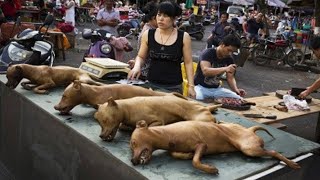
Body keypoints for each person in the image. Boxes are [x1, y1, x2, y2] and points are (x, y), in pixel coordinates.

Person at [128, 1, 196, 98]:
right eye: (159, 15)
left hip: (174, 87)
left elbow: (188, 63)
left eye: (166, 16)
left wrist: (191, 86)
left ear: (174, 18)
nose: (161, 19)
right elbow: (141, 56)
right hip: (151, 85)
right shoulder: (148, 34)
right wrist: (137, 66)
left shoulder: (184, 37)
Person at [194, 34, 246, 101]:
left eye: (232, 52)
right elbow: (205, 71)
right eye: (229, 50)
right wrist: (225, 68)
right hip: (200, 87)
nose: (230, 54)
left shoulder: (229, 59)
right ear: (222, 45)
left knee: (239, 99)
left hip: (217, 89)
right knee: (197, 99)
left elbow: (230, 77)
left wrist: (236, 89)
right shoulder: (208, 53)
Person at [127, 1, 158, 79]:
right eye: (160, 15)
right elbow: (143, 55)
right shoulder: (149, 33)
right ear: (154, 18)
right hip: (146, 72)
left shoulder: (151, 29)